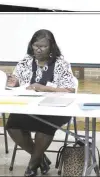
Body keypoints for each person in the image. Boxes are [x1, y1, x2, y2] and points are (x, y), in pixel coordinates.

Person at [6, 29, 76, 177]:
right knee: (12, 125)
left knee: (44, 127)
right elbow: (19, 83)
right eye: (35, 45)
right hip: (29, 106)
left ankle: (32, 165)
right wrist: (14, 82)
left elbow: (70, 90)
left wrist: (43, 88)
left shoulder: (61, 64)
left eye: (42, 46)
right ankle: (40, 158)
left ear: (51, 47)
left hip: (55, 108)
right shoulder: (25, 61)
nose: (38, 49)